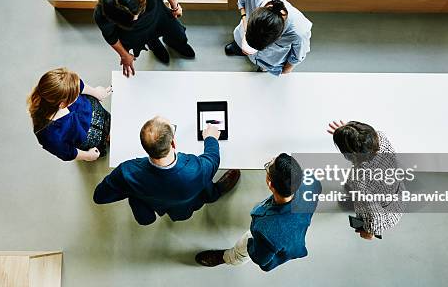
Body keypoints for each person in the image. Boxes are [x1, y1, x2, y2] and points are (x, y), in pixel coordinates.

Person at [93, 116, 240, 225]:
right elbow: (213, 159)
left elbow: (99, 196)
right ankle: (215, 193)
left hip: (160, 205)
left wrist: (132, 191)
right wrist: (211, 138)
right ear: (173, 142)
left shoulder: (127, 172)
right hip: (187, 202)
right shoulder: (195, 168)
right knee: (205, 184)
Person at [195, 153, 320, 271]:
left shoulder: (266, 231)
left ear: (270, 183)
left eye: (268, 166)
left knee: (241, 249)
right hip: (293, 227)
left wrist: (250, 245)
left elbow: (261, 258)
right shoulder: (312, 182)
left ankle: (228, 257)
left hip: (273, 239)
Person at [94, 0, 195, 77]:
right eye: (132, 19)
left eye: (137, 14)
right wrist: (124, 55)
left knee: (178, 33)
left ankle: (176, 44)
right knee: (150, 40)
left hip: (158, 15)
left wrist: (175, 7)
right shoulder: (102, 14)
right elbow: (110, 36)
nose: (136, 19)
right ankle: (155, 45)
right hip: (133, 33)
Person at [327, 120, 404, 239]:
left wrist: (369, 232)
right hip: (396, 191)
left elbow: (374, 215)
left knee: (353, 194)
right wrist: (349, 136)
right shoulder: (381, 138)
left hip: (386, 211)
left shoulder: (359, 180)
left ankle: (349, 201)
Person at [224, 0, 312, 76]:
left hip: (269, 60)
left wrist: (285, 70)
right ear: (256, 11)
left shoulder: (300, 31)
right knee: (239, 45)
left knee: (264, 69)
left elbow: (297, 56)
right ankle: (239, 46)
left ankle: (263, 67)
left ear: (279, 37)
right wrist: (245, 19)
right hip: (242, 36)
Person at [27, 68, 112, 161]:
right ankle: (106, 138)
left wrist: (96, 93)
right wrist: (88, 156)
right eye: (75, 96)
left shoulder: (65, 83)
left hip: (92, 111)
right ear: (62, 104)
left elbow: (79, 85)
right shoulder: (47, 134)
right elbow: (67, 152)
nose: (78, 93)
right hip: (89, 137)